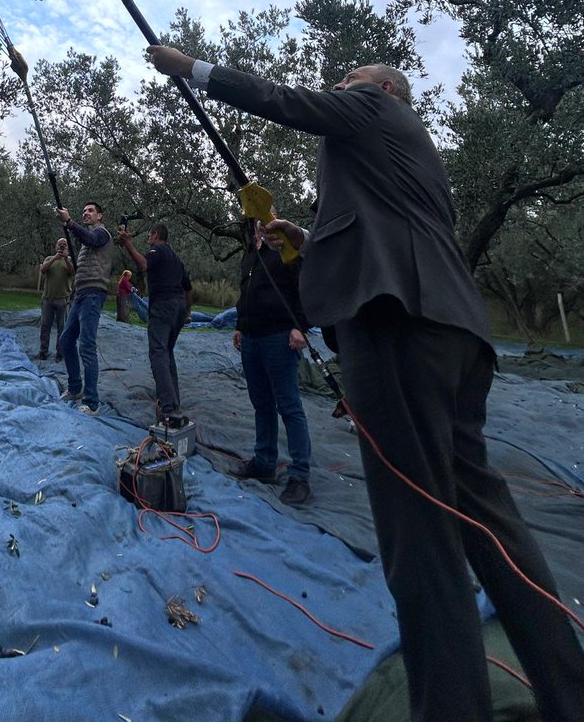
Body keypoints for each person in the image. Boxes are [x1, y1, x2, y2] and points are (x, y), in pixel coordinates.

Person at [146, 45, 584, 722]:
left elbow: (289, 103)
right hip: (453, 332)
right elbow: (386, 225)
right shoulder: (410, 157)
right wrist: (311, 237)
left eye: (347, 79)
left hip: (396, 328)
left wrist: (194, 70)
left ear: (384, 90)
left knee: (420, 539)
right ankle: (568, 691)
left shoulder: (375, 105)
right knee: (492, 526)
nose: (339, 86)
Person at [233, 218, 312, 505]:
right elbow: (245, 296)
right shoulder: (250, 257)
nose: (262, 229)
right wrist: (240, 325)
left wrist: (301, 326)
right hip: (251, 339)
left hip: (279, 337)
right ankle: (265, 462)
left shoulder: (287, 251)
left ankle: (299, 475)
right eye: (258, 225)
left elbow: (307, 288)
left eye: (267, 222)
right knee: (261, 403)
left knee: (289, 406)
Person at [117, 223, 193, 424]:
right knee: (167, 353)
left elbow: (144, 265)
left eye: (149, 235)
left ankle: (168, 409)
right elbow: (188, 288)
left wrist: (128, 244)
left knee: (158, 353)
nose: (148, 239)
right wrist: (187, 312)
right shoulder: (176, 259)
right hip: (178, 307)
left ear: (156, 235)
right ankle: (174, 403)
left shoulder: (157, 250)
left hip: (163, 305)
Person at [55, 201, 113, 416]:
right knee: (66, 340)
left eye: (90, 211)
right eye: (84, 211)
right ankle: (75, 387)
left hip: (93, 294)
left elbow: (89, 238)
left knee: (86, 345)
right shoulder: (86, 242)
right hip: (80, 294)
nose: (86, 213)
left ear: (100, 216)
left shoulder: (102, 233)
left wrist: (70, 222)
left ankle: (92, 402)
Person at [38, 238, 74, 360]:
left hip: (62, 299)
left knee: (62, 327)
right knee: (45, 326)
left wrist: (65, 258)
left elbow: (73, 272)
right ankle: (43, 351)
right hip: (48, 298)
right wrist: (54, 258)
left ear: (67, 248)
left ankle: (60, 353)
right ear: (56, 246)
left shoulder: (69, 260)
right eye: (60, 244)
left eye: (64, 245)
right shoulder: (49, 259)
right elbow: (43, 270)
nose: (62, 246)